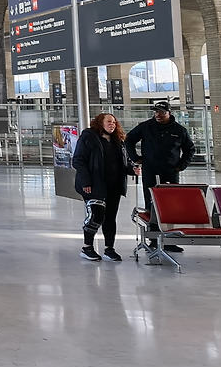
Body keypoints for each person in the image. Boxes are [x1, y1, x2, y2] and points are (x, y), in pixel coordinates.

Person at [125, 100, 197, 253]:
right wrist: (135, 158)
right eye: (156, 112)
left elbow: (190, 149)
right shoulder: (146, 127)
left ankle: (170, 240)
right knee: (151, 203)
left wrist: (181, 165)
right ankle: (153, 238)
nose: (158, 115)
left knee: (171, 204)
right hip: (150, 170)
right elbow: (129, 140)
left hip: (170, 171)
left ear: (169, 113)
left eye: (162, 112)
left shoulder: (179, 130)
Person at [72, 113, 136, 262]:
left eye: (114, 122)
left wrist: (132, 169)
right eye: (109, 122)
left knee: (110, 218)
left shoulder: (117, 140)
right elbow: (78, 161)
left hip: (114, 186)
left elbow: (124, 161)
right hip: (94, 186)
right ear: (100, 123)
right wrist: (86, 182)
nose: (112, 124)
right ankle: (87, 247)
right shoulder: (89, 137)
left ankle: (109, 248)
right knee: (96, 215)